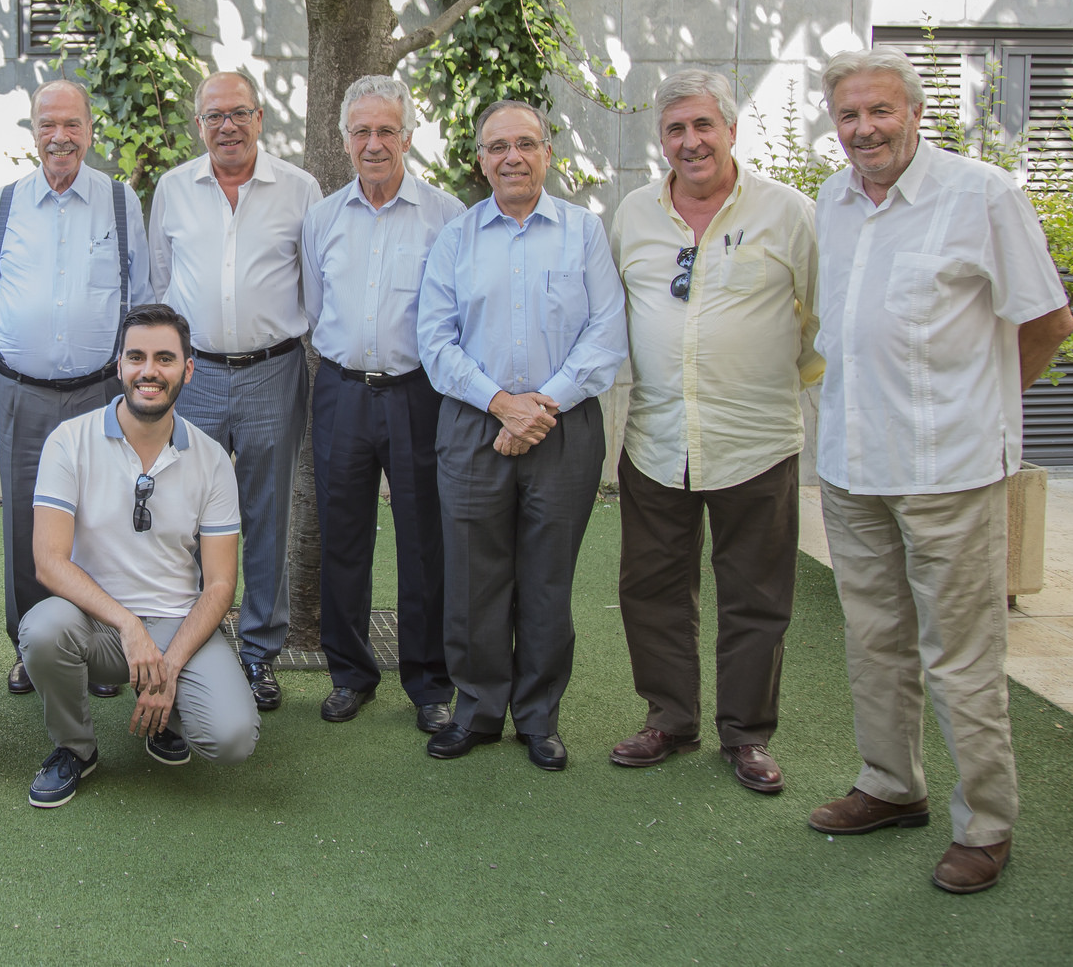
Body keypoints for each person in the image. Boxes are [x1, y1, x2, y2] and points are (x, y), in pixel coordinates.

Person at [806, 46, 1073, 895]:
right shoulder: (834, 200)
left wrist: (982, 409)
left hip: (947, 472)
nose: (864, 129)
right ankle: (892, 784)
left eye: (880, 111)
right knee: (874, 638)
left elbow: (1048, 321)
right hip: (852, 466)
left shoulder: (980, 195)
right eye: (849, 115)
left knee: (960, 655)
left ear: (916, 114)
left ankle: (986, 823)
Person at [608, 69, 820, 794]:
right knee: (651, 587)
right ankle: (669, 716)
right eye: (675, 129)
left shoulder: (789, 213)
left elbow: (818, 320)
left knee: (755, 595)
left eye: (703, 126)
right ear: (661, 140)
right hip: (657, 439)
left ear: (732, 129)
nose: (690, 141)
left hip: (755, 440)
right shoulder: (633, 214)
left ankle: (747, 733)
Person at [417, 99, 627, 771]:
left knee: (546, 580)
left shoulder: (583, 231)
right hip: (474, 422)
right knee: (474, 576)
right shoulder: (456, 236)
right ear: (480, 160)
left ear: (547, 153)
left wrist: (540, 406)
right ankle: (476, 710)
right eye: (497, 146)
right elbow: (435, 338)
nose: (512, 156)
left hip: (563, 428)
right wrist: (503, 404)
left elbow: (606, 332)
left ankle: (539, 716)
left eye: (526, 143)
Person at [20, 304, 259, 807]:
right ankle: (75, 748)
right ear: (120, 364)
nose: (149, 370)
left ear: (187, 369)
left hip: (177, 622)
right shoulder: (69, 441)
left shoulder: (213, 459)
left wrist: (168, 664)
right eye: (137, 357)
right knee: (42, 630)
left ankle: (166, 716)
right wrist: (129, 627)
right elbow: (48, 560)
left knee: (234, 738)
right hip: (97, 626)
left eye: (165, 358)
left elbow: (219, 585)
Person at [0, 78, 149, 697]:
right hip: (21, 393)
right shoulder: (4, 205)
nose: (60, 137)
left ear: (91, 130)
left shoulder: (122, 205)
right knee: (26, 523)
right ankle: (30, 646)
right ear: (33, 132)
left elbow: (142, 303)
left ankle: (100, 649)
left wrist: (138, 392)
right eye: (48, 125)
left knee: (100, 523)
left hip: (102, 394)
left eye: (72, 125)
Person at [147, 69, 321, 711]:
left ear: (260, 118)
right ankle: (190, 644)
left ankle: (259, 655)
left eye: (238, 113)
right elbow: (158, 284)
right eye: (214, 115)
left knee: (267, 514)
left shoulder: (300, 190)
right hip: (191, 377)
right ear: (199, 125)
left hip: (273, 371)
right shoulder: (173, 189)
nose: (226, 125)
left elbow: (315, 286)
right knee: (184, 514)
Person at [299, 75, 463, 731]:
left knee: (425, 540)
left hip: (419, 392)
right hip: (339, 388)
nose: (373, 143)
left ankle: (428, 683)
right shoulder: (322, 217)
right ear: (344, 139)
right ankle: (350, 673)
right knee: (343, 536)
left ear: (408, 136)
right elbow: (315, 308)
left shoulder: (444, 214)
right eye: (361, 131)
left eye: (385, 130)